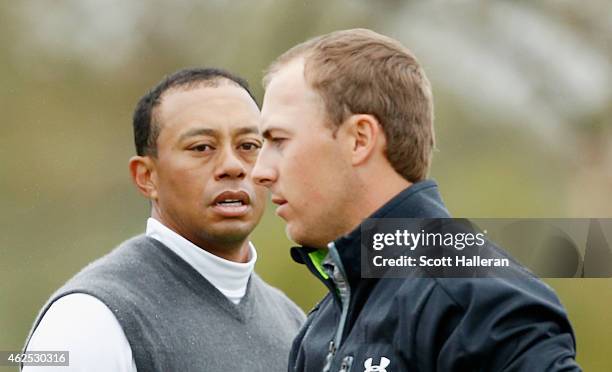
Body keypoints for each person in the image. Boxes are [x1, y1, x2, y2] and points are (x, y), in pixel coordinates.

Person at [252, 29, 581, 371]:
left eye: (279, 140)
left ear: (359, 139)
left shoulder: (476, 300)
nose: (260, 172)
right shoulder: (320, 327)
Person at [22, 68, 305, 372]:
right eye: (202, 148)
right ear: (147, 177)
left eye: (248, 146)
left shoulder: (295, 324)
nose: (232, 166)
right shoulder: (91, 319)